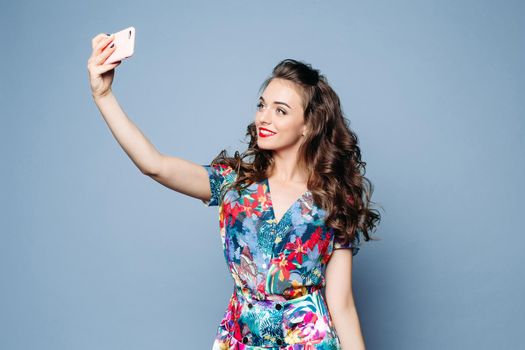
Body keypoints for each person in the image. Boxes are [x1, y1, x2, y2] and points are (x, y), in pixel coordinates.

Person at [87, 33, 381, 350]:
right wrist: (103, 95)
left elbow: (342, 303)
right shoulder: (234, 183)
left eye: (280, 110)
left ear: (309, 124)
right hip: (241, 339)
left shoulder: (333, 198)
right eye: (262, 105)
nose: (264, 117)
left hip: (309, 342)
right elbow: (154, 165)